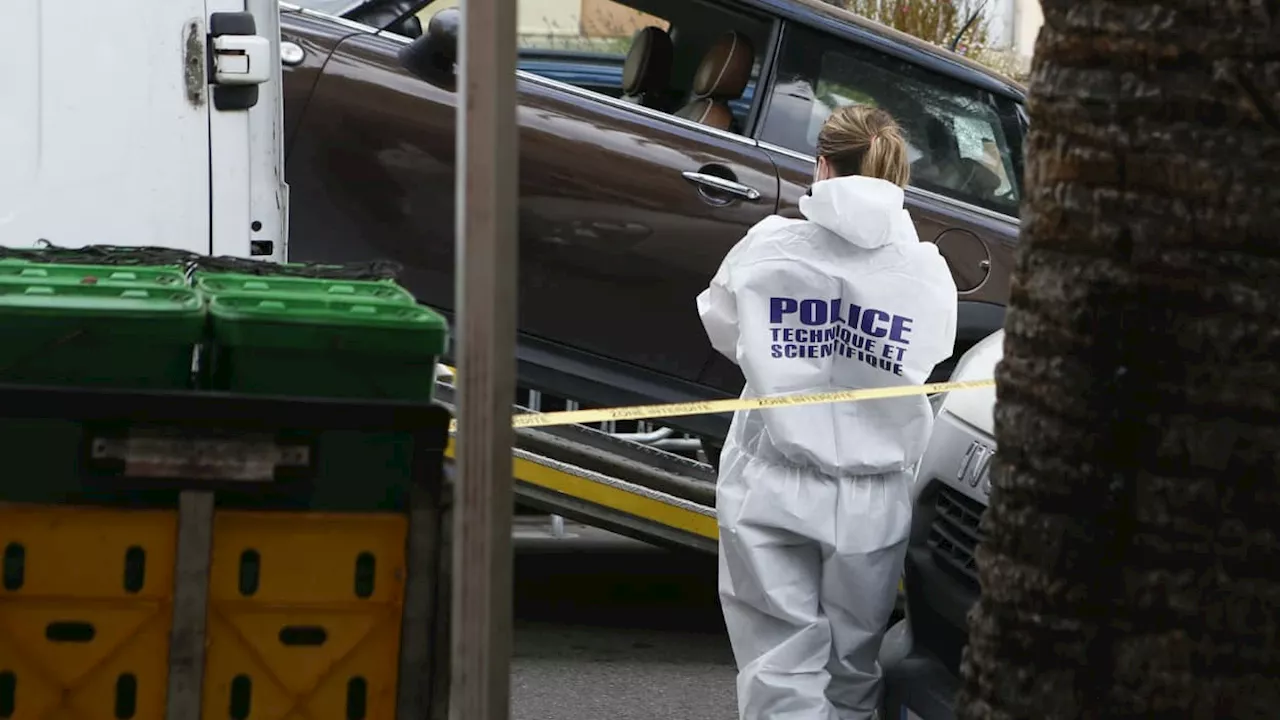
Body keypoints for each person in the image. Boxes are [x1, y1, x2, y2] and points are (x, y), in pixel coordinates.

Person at [696, 105, 957, 720]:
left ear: (821, 164)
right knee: (851, 668)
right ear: (900, 178)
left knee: (780, 663)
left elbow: (723, 325)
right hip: (874, 496)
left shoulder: (769, 245)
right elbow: (932, 356)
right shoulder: (926, 271)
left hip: (773, 476)